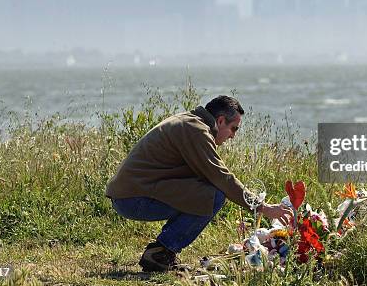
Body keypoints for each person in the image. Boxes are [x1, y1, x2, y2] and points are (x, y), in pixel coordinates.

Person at [106, 95, 292, 272]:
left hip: (131, 194)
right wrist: (263, 207)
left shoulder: (190, 122)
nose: (233, 136)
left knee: (207, 190)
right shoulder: (196, 131)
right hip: (132, 200)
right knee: (214, 196)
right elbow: (222, 178)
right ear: (220, 121)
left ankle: (161, 252)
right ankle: (161, 253)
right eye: (234, 128)